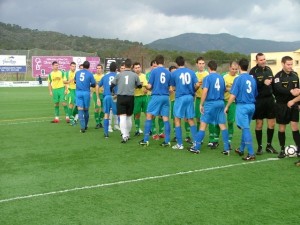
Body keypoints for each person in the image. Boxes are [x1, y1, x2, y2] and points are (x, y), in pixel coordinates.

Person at [189, 60, 230, 155]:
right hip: (220, 102)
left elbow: (205, 91)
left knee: (203, 125)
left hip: (210, 103)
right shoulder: (221, 77)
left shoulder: (207, 78)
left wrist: (201, 104)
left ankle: (196, 147)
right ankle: (227, 148)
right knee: (222, 125)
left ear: (209, 68)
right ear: (216, 67)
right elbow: (224, 90)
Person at [223, 59, 258, 160]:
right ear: (248, 66)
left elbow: (233, 95)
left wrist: (227, 106)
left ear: (239, 66)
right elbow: (255, 94)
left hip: (242, 106)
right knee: (245, 127)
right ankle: (241, 149)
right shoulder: (252, 79)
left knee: (245, 129)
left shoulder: (238, 79)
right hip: (252, 105)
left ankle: (251, 153)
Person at [139, 55, 172, 146]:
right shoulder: (168, 72)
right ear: (163, 62)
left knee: (149, 116)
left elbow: (149, 86)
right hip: (166, 97)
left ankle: (145, 140)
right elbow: (170, 88)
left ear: (156, 63)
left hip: (156, 96)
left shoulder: (154, 71)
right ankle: (167, 141)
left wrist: (144, 85)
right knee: (165, 118)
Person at [250, 52, 278, 155]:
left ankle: (269, 145)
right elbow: (252, 86)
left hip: (270, 100)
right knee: (259, 124)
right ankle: (259, 147)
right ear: (257, 61)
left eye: (264, 59)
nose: (263, 61)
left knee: (271, 123)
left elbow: (273, 84)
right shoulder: (253, 71)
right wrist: (262, 82)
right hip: (259, 100)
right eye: (261, 60)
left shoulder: (269, 69)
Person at [272, 56, 300, 158]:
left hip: (294, 104)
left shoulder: (295, 75)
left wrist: (297, 102)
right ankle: (282, 149)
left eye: (291, 64)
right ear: (283, 64)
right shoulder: (278, 77)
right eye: (288, 64)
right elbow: (278, 89)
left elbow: (298, 90)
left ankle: (299, 149)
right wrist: (290, 91)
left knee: (295, 126)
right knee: (282, 127)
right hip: (281, 105)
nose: (290, 66)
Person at [171, 56, 200, 150]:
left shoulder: (174, 73)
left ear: (176, 64)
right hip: (190, 97)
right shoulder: (191, 72)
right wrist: (192, 91)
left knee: (177, 119)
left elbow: (173, 88)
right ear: (184, 62)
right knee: (190, 119)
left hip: (180, 97)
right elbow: (197, 85)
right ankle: (196, 142)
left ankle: (180, 144)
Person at [110, 58, 142, 143]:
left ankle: (124, 135)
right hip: (130, 97)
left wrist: (113, 93)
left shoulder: (119, 75)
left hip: (121, 97)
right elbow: (139, 86)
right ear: (131, 66)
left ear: (124, 66)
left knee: (122, 117)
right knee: (128, 117)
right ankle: (127, 134)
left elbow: (112, 85)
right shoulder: (135, 75)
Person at [96, 62, 118, 138]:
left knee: (106, 114)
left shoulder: (105, 76)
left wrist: (98, 97)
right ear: (116, 69)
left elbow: (97, 86)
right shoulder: (118, 76)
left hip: (106, 97)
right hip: (115, 97)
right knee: (119, 114)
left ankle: (106, 134)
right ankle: (123, 133)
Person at [74, 61, 96, 133]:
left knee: (80, 109)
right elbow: (93, 84)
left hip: (78, 92)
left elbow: (75, 81)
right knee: (86, 109)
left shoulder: (77, 73)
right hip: (86, 92)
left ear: (83, 66)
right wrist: (88, 85)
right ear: (89, 67)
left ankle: (82, 127)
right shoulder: (90, 74)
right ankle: (86, 125)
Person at [220, 61, 239, 145]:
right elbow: (220, 89)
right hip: (223, 101)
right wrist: (228, 89)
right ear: (229, 68)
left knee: (230, 121)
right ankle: (215, 139)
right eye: (232, 69)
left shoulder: (238, 78)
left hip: (233, 103)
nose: (234, 70)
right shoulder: (224, 77)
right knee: (220, 120)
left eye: (236, 69)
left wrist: (230, 89)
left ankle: (229, 139)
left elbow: (238, 91)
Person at [132, 62, 148, 136]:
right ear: (133, 69)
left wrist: (146, 90)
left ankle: (149, 129)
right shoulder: (132, 77)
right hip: (136, 97)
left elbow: (148, 86)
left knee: (147, 114)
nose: (137, 69)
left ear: (141, 68)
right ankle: (137, 129)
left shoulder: (144, 76)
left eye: (138, 67)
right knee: (137, 115)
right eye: (136, 68)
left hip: (144, 97)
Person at [92, 64, 104, 129]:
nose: (98, 69)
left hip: (103, 94)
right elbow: (91, 85)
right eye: (97, 68)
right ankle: (97, 123)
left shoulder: (104, 76)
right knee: (96, 109)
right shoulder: (94, 76)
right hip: (95, 94)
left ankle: (100, 121)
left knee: (103, 109)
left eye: (99, 68)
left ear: (102, 69)